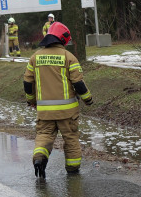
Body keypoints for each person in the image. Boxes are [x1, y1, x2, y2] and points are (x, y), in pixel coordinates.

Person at [23, 21, 92, 178]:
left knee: (43, 137)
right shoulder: (69, 57)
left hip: (45, 112)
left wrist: (31, 100)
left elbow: (27, 82)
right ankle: (73, 171)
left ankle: (39, 159)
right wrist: (88, 99)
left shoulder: (35, 57)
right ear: (63, 39)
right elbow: (78, 83)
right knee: (71, 139)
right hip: (67, 113)